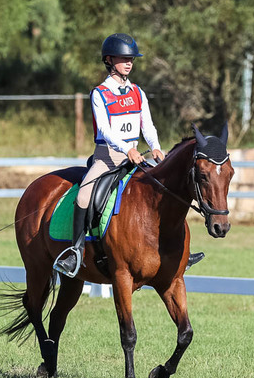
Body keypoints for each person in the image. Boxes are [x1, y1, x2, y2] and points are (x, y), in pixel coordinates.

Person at [52, 32, 203, 278]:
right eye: (124, 58)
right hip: (108, 157)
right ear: (109, 60)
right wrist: (127, 149)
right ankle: (75, 252)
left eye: (131, 58)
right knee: (83, 195)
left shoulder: (137, 92)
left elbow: (148, 125)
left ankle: (179, 252)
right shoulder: (100, 93)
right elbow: (104, 130)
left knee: (168, 191)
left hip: (137, 156)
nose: (129, 62)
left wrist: (155, 145)